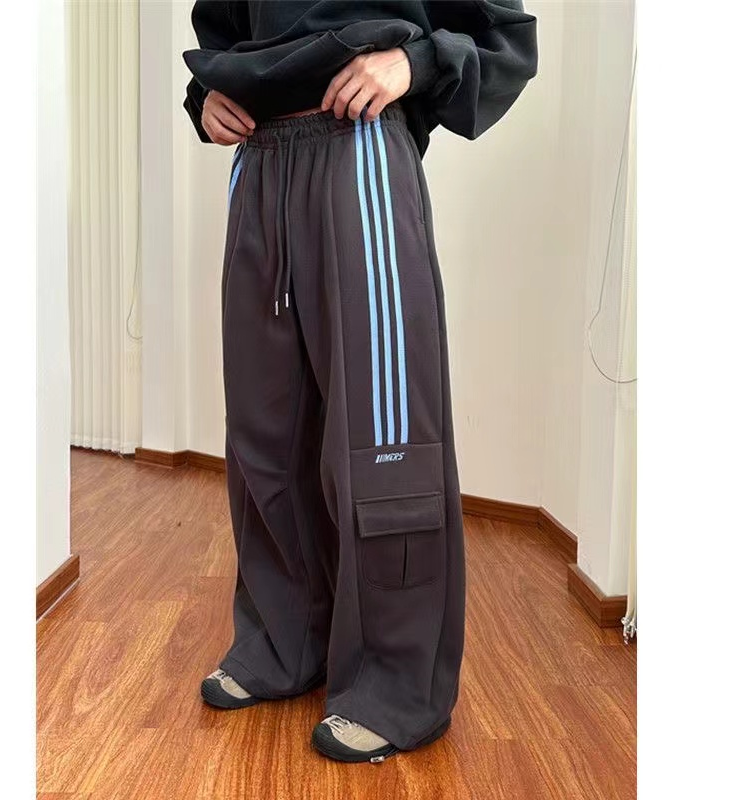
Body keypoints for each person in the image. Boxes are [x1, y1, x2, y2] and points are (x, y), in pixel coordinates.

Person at [182, 0, 538, 764]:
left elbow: (507, 39)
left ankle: (395, 680)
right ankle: (284, 640)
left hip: (360, 151)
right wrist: (203, 100)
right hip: (260, 166)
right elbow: (225, 31)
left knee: (384, 437)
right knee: (264, 432)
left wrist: (416, 62)